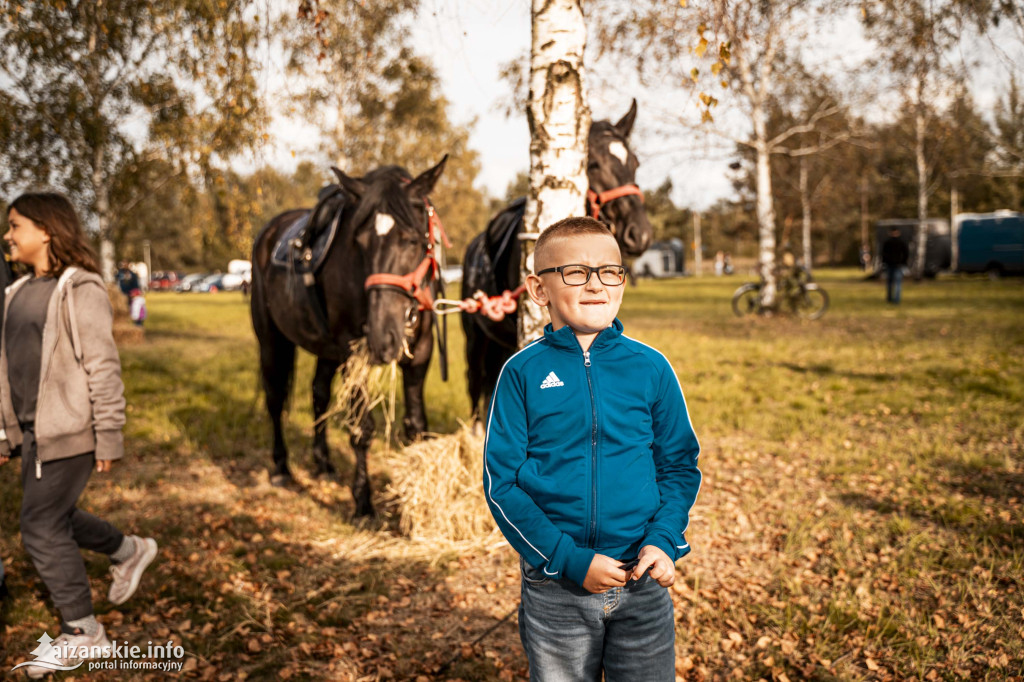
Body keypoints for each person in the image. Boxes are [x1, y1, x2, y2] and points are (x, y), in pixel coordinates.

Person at [483, 216, 702, 681]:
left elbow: (679, 466)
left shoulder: (651, 367)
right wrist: (568, 558)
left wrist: (663, 540)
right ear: (539, 290)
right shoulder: (520, 375)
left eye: (610, 271)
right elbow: (501, 484)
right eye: (577, 272)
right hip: (558, 587)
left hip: (642, 580)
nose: (597, 284)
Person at [0, 192, 158, 676]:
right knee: (55, 516)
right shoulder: (15, 291)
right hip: (31, 432)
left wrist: (109, 432)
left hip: (70, 430)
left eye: (15, 226)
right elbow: (8, 368)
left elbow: (102, 366)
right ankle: (128, 550)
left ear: (45, 231)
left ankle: (83, 632)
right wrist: (6, 432)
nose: (8, 236)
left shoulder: (79, 286)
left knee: (39, 526)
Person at [881, 227, 910, 304]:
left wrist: (884, 263)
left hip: (895, 265)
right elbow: (906, 254)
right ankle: (895, 299)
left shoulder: (889, 242)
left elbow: (883, 254)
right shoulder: (900, 242)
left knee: (892, 283)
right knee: (896, 283)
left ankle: (892, 299)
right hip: (895, 265)